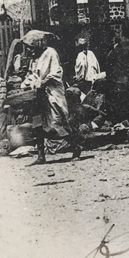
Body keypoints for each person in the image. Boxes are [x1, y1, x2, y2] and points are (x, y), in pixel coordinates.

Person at [21, 31, 81, 163]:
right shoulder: (35, 58)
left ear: (38, 44)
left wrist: (44, 82)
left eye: (31, 47)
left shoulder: (50, 53)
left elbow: (56, 73)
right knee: (38, 124)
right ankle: (41, 155)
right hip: (39, 95)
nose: (30, 51)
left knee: (56, 124)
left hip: (52, 93)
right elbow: (33, 74)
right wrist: (27, 83)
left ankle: (76, 147)